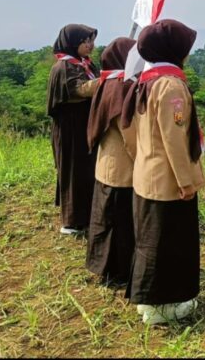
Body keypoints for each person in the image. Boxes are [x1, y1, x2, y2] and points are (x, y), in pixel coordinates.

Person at [121, 19, 205, 325]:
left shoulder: (144, 82)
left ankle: (148, 302)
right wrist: (186, 181)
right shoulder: (171, 86)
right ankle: (163, 307)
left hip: (147, 175)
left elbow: (128, 129)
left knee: (150, 241)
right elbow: (175, 138)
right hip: (168, 182)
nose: (188, 53)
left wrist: (142, 160)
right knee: (169, 242)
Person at [85, 37, 137, 286]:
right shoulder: (121, 87)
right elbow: (128, 131)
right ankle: (118, 272)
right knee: (120, 222)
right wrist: (143, 159)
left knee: (106, 219)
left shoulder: (108, 82)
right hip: (122, 166)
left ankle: (105, 268)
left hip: (107, 162)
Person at [47, 24, 99, 235]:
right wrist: (110, 80)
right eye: (85, 41)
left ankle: (87, 216)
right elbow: (80, 89)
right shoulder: (64, 67)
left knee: (87, 170)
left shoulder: (86, 64)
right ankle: (72, 221)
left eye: (91, 41)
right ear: (72, 42)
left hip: (84, 125)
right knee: (73, 171)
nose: (90, 45)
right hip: (70, 129)